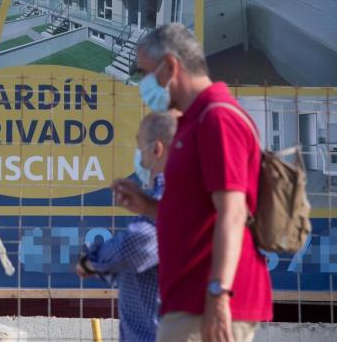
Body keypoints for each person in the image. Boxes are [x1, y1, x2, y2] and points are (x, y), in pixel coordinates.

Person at [114, 23, 272, 342]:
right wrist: (148, 206)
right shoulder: (192, 122)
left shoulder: (217, 118)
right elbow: (196, 216)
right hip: (188, 303)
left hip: (207, 306)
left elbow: (233, 212)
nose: (142, 84)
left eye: (145, 73)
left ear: (171, 66)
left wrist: (218, 295)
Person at [77, 112, 176, 342]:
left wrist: (92, 261)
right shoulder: (164, 197)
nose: (139, 156)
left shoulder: (172, 196)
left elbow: (136, 247)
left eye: (140, 146)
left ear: (156, 149)